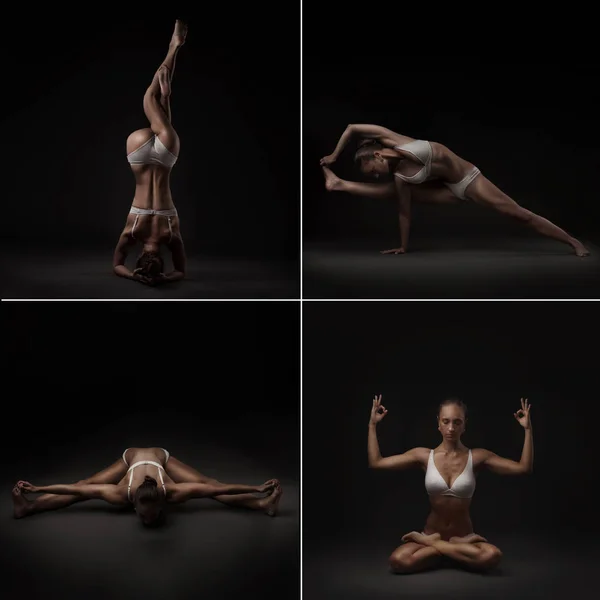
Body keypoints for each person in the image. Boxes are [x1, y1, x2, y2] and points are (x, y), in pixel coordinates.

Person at [320, 124, 590, 257]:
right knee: (395, 192)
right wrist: (403, 245)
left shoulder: (394, 141)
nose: (378, 174)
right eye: (373, 176)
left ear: (377, 154)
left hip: (469, 181)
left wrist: (334, 154)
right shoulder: (401, 175)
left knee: (519, 214)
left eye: (373, 170)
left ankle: (572, 242)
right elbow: (404, 211)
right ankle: (340, 184)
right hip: (447, 191)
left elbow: (352, 127)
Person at [368, 395, 533, 573]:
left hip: (464, 537)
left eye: (457, 422)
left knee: (492, 556)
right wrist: (372, 425)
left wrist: (528, 429)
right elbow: (376, 462)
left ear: (464, 425)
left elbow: (523, 467)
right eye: (446, 421)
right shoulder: (424, 456)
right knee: (398, 561)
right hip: (432, 534)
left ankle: (437, 547)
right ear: (438, 423)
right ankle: (451, 550)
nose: (451, 428)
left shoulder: (477, 457)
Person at [12, 447, 283, 526]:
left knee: (210, 485)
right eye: (144, 516)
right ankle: (29, 508)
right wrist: (36, 489)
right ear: (134, 505)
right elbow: (74, 490)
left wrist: (257, 489)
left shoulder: (173, 492)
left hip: (159, 456)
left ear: (163, 503)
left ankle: (262, 505)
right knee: (84, 486)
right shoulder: (121, 493)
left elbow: (218, 489)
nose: (148, 520)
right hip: (131, 458)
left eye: (151, 516)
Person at [112, 20, 188, 286]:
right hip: (139, 155)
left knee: (156, 104)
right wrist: (135, 275)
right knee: (150, 97)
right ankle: (167, 88)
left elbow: (180, 271)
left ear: (160, 261)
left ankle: (174, 48)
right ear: (141, 258)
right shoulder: (133, 231)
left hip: (166, 158)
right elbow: (117, 264)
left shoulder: (171, 235)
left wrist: (164, 279)